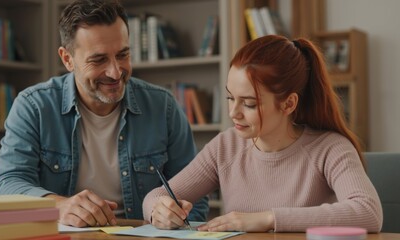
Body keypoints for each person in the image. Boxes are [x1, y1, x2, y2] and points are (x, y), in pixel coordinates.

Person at [0, 0, 208, 227]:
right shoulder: (33, 107)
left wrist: (173, 217)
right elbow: (5, 184)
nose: (115, 72)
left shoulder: (164, 107)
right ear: (67, 59)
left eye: (123, 55)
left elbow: (196, 199)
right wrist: (58, 206)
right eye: (99, 59)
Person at [142, 35, 383, 232]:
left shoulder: (330, 148)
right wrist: (158, 210)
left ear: (288, 104)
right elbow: (156, 196)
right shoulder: (226, 145)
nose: (233, 113)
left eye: (248, 103)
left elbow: (368, 211)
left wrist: (267, 218)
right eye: (230, 98)